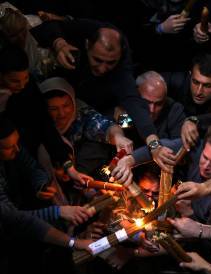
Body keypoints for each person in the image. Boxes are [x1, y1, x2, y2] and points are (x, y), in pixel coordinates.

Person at [31, 19, 176, 171]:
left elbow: (130, 107)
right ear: (87, 45)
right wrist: (59, 44)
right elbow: (46, 27)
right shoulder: (84, 30)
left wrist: (154, 145)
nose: (102, 68)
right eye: (97, 60)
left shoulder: (125, 108)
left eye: (110, 63)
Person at [113, 121, 211, 223]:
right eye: (205, 157)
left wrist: (189, 213)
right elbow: (165, 147)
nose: (206, 166)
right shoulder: (198, 149)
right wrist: (129, 160)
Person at [0, 45, 90, 185]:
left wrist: (68, 167)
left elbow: (45, 124)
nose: (22, 85)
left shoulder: (28, 88)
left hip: (29, 155)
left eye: (25, 78)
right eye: (15, 81)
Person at [40, 77, 132, 175]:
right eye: (53, 109)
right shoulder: (36, 124)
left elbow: (103, 125)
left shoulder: (81, 114)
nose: (61, 114)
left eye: (66, 105)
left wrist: (118, 137)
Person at [161, 53, 211, 149]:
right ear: (190, 75)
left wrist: (194, 120)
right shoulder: (178, 79)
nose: (198, 91)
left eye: (207, 86)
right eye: (195, 82)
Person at [133, 70, 186, 142]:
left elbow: (177, 146)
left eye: (158, 104)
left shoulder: (174, 110)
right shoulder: (126, 108)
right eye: (147, 102)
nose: (152, 110)